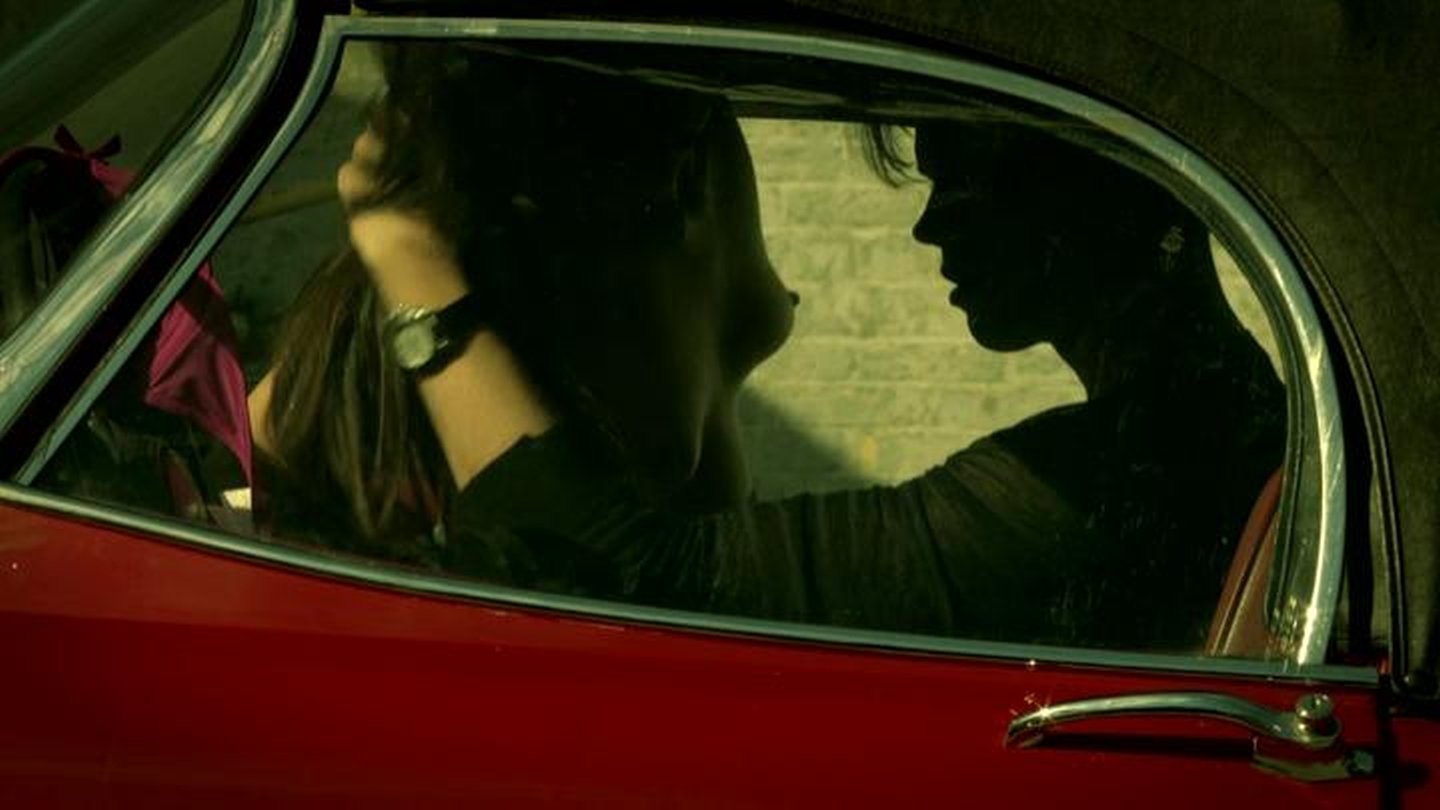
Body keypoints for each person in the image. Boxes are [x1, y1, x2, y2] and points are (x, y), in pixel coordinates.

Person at [256, 42, 1283, 650]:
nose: (931, 225)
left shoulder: (1120, 476)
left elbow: (625, 586)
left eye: (968, 173)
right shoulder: (1203, 422)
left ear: (1105, 182)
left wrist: (405, 253)